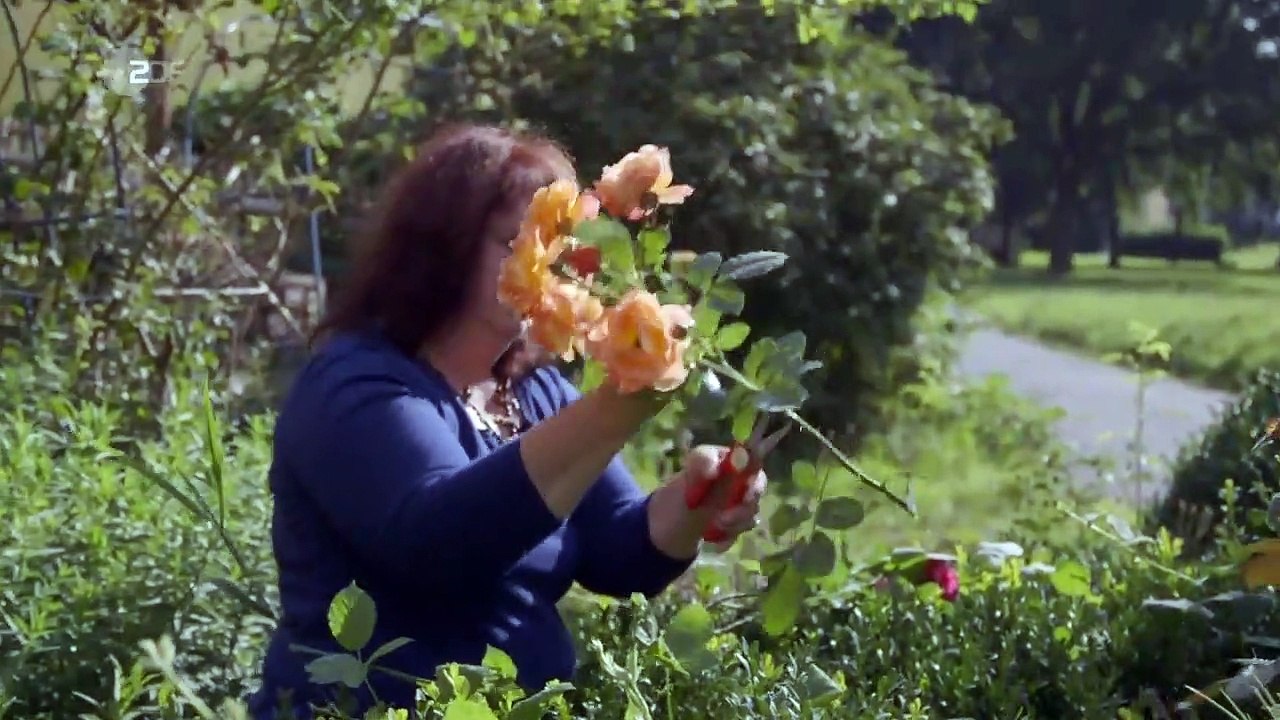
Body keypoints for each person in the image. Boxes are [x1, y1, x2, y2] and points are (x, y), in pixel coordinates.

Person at [248, 123, 767, 718]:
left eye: (561, 242)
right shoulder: (354, 384)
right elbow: (441, 546)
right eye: (520, 240)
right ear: (443, 248)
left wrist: (699, 496)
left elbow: (620, 553)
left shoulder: (535, 391)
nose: (553, 264)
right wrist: (614, 409)